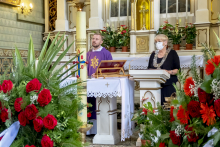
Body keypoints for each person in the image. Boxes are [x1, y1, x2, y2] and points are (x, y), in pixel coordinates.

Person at [86, 33, 112, 134]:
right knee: (90, 104)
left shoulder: (106, 53)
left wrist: (100, 75)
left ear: (101, 42)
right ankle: (89, 130)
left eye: (97, 39)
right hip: (90, 83)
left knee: (99, 105)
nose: (94, 40)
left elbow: (110, 69)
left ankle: (100, 130)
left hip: (101, 83)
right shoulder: (88, 54)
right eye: (93, 38)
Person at [148, 34, 180, 105]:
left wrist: (169, 72)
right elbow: (149, 68)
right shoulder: (153, 54)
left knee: (168, 108)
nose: (157, 44)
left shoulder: (172, 54)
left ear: (165, 43)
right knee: (155, 107)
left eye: (159, 41)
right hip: (154, 85)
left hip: (168, 85)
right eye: (155, 42)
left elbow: (177, 70)